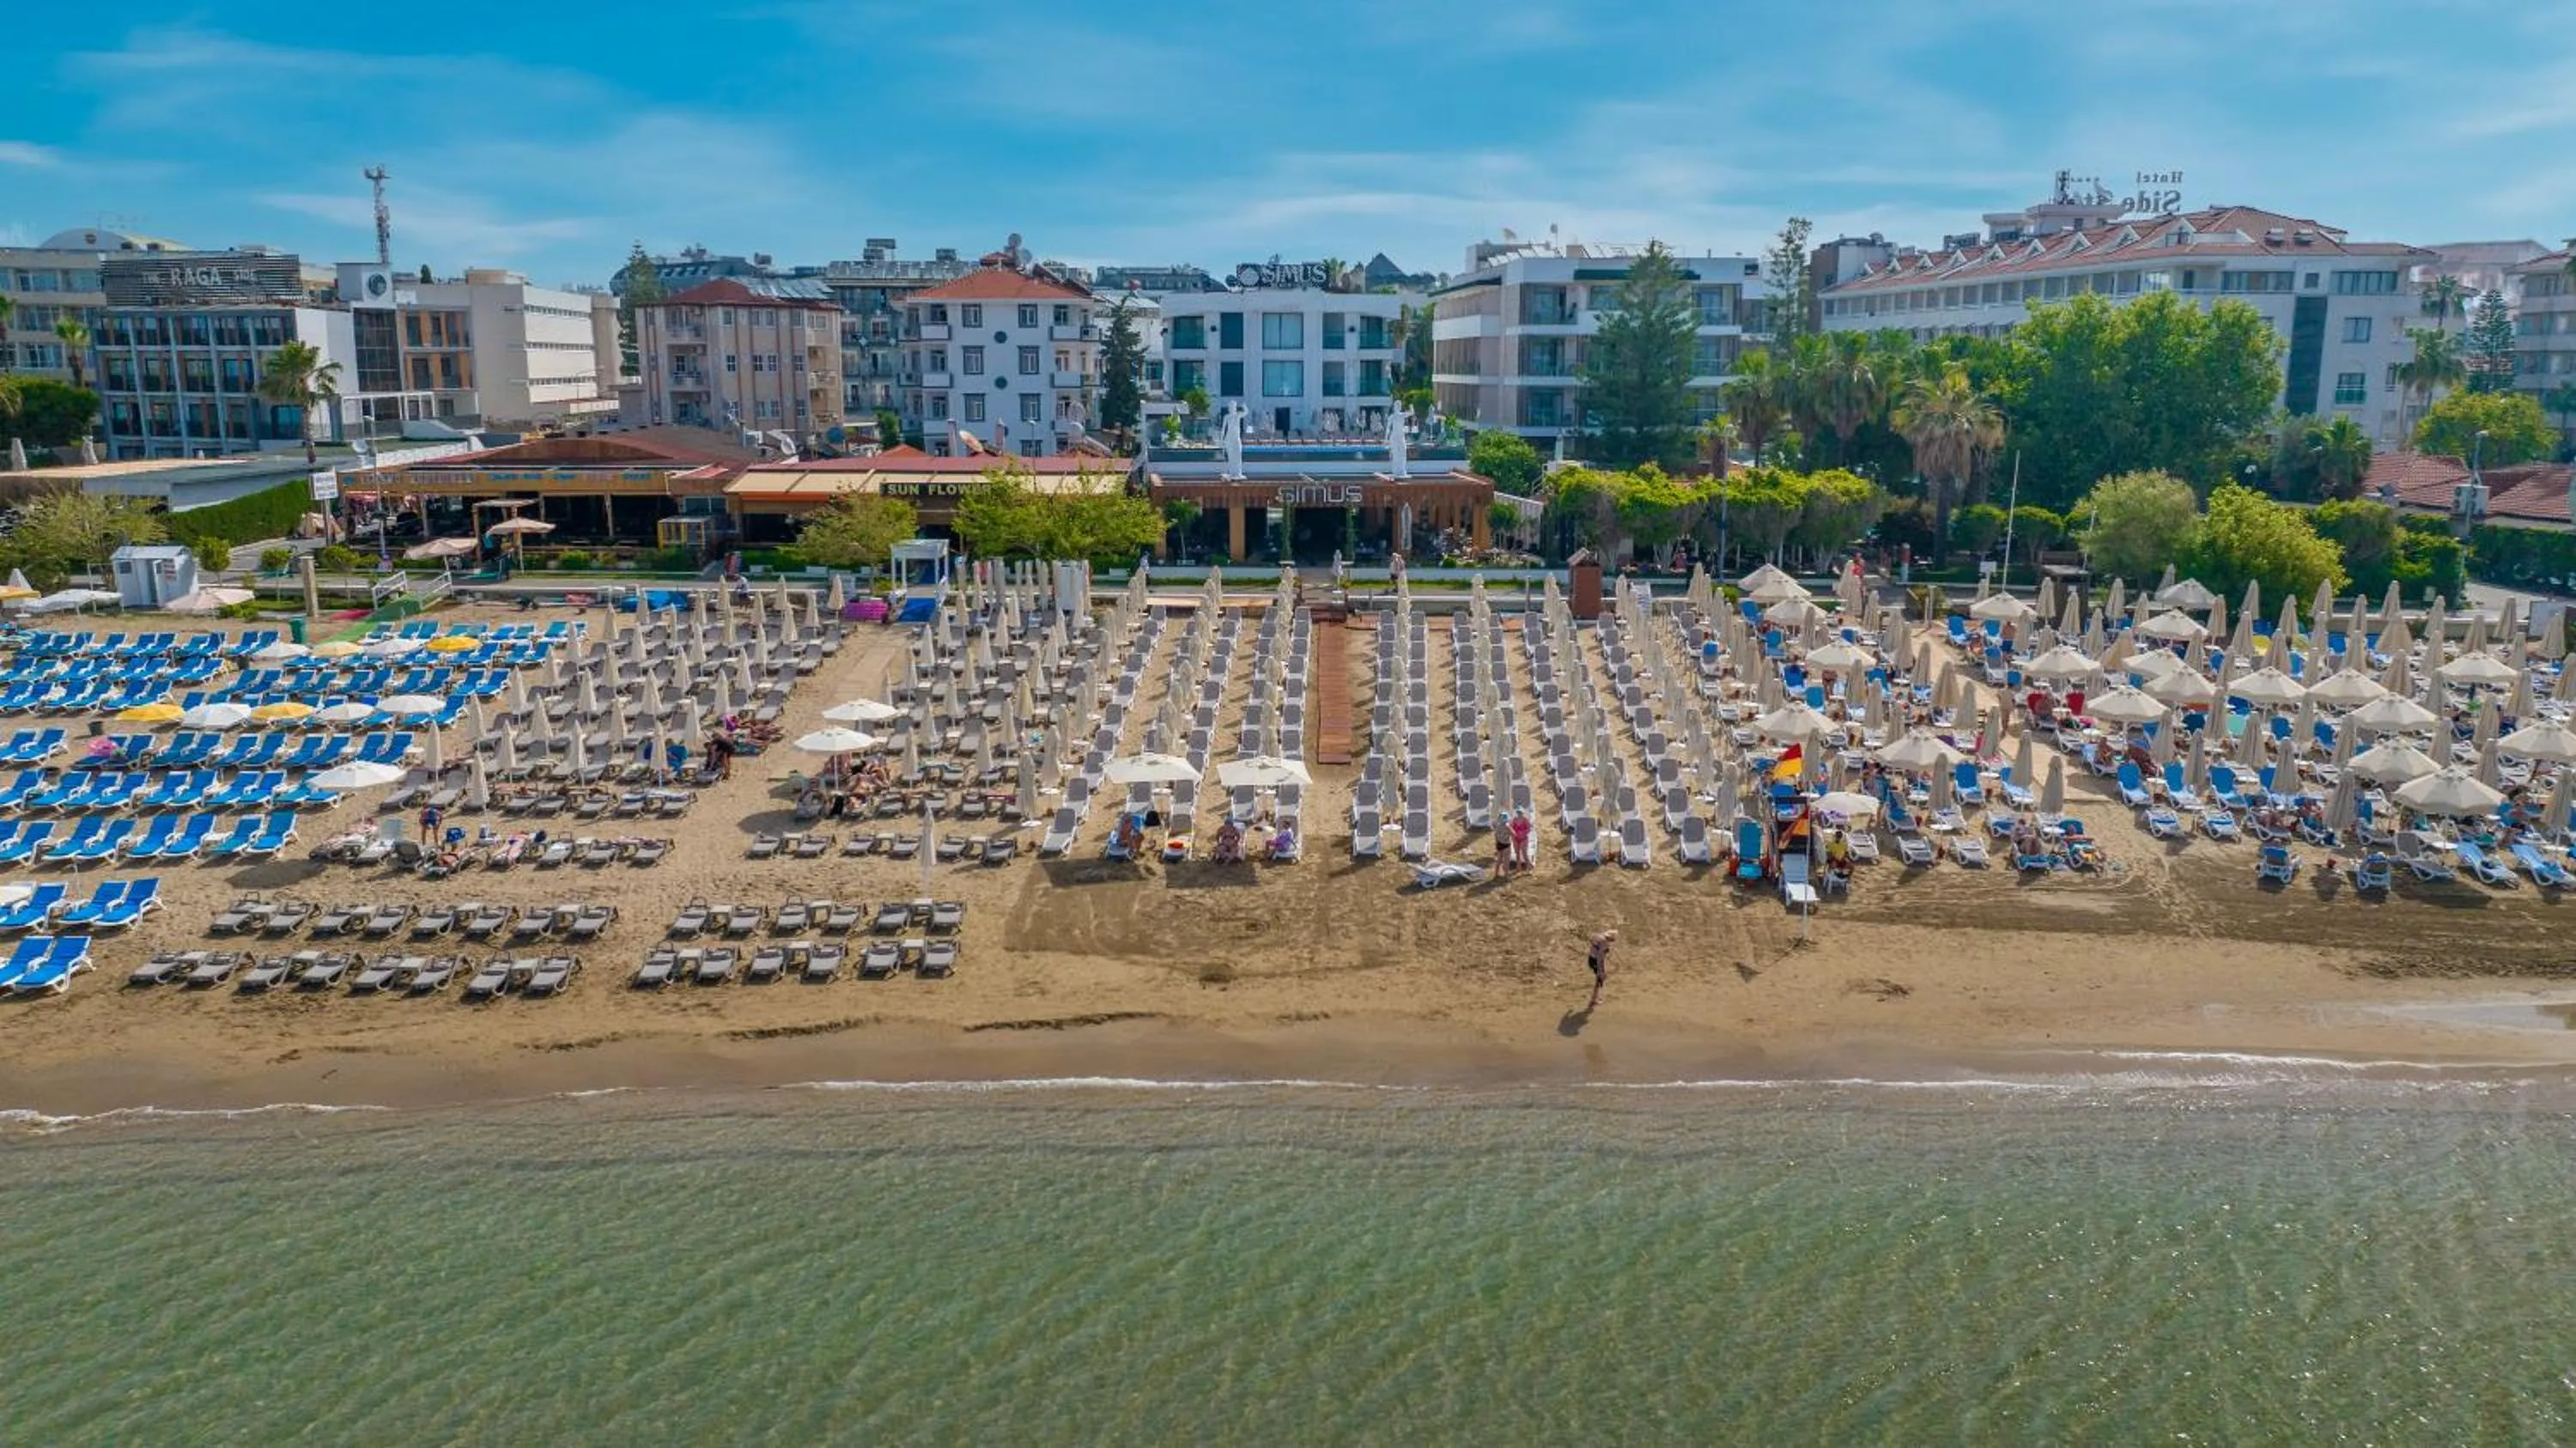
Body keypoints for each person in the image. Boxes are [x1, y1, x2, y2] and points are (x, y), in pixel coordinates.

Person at [1585, 929, 1615, 1012]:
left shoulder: (1599, 936)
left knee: (1599, 981)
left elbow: (1592, 940)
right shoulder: (1604, 943)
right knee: (1599, 980)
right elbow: (1600, 959)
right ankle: (1593, 1001)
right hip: (1595, 961)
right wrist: (1601, 971)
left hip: (1591, 959)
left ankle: (1594, 999)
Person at [1510, 808, 1534, 872]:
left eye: (1521, 813)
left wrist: (1524, 833)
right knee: (1517, 854)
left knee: (1524, 854)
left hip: (1523, 839)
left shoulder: (1525, 820)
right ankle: (1518, 868)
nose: (1519, 814)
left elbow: (1529, 828)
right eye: (1518, 813)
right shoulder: (1514, 819)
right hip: (1515, 838)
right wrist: (1513, 835)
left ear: (1523, 813)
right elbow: (1511, 828)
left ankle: (1530, 867)